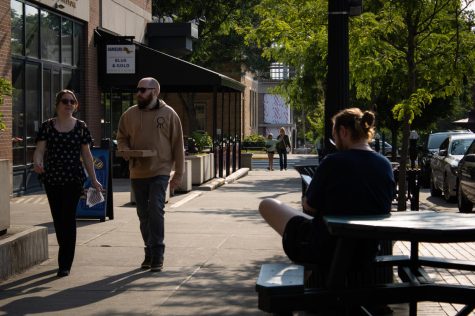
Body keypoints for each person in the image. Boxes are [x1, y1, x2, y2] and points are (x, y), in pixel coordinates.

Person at [259, 108, 395, 271]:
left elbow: (310, 205)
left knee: (267, 204)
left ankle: (311, 281)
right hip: (367, 252)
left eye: (335, 136)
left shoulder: (332, 162)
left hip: (326, 249)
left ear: (343, 131)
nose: (335, 141)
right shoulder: (384, 165)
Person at [116, 77, 185, 272]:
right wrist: (125, 150)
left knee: (155, 209)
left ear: (154, 91)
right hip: (137, 171)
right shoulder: (129, 114)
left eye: (143, 90)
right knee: (143, 214)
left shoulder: (169, 114)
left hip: (160, 170)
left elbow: (178, 146)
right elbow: (121, 137)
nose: (138, 93)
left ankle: (158, 253)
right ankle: (149, 250)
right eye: (137, 89)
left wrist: (178, 174)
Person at [33, 89, 103, 278]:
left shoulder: (81, 127)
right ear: (57, 104)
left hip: (73, 178)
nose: (69, 105)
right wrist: (37, 162)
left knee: (68, 218)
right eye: (65, 101)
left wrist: (94, 179)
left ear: (76, 105)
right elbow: (40, 149)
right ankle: (64, 252)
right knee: (58, 219)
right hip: (52, 178)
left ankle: (65, 263)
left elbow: (87, 155)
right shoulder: (47, 126)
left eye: (72, 102)